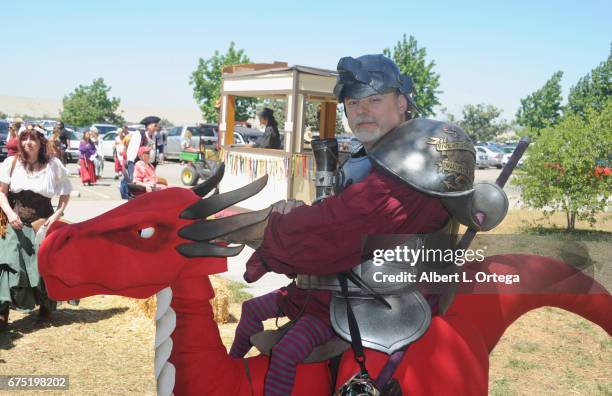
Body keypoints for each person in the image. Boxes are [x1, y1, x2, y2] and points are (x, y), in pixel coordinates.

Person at [228, 54, 452, 396]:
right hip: (339, 283)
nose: (361, 110)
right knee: (252, 310)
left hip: (385, 297)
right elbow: (335, 219)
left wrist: (275, 231)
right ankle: (228, 376)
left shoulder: (418, 158)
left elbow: (347, 226)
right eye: (352, 102)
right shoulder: (364, 159)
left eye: (374, 100)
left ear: (402, 102)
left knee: (287, 352)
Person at [0, 127, 72, 329]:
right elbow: (1, 193)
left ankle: (46, 306)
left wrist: (57, 214)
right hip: (14, 221)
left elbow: (66, 193)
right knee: (7, 264)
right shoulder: (11, 163)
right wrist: (10, 213)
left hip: (42, 223)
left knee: (42, 267)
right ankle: (2, 312)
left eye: (33, 139)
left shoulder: (53, 165)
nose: (28, 143)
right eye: (24, 139)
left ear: (41, 142)